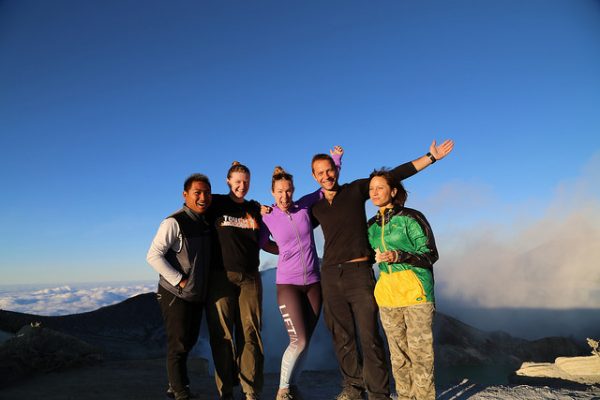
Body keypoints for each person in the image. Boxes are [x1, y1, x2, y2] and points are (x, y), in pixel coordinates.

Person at [310, 140, 453, 400]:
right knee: (343, 338)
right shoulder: (317, 207)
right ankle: (353, 388)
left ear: (337, 169)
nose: (326, 175)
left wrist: (429, 158)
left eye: (329, 169)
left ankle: (379, 394)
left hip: (361, 274)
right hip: (333, 274)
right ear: (314, 176)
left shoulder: (354, 190)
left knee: (370, 337)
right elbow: (293, 225)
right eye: (320, 172)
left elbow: (393, 176)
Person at [260, 147, 343, 400]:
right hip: (288, 284)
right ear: (272, 193)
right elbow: (263, 243)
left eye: (288, 191)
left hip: (314, 283)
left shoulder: (304, 206)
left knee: (306, 339)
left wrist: (336, 160)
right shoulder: (267, 216)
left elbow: (327, 184)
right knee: (299, 339)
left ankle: (293, 385)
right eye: (280, 192)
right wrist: (284, 252)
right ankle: (283, 389)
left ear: (293, 191)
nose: (284, 195)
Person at [206, 161, 276, 400]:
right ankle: (226, 391)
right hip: (220, 276)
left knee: (251, 333)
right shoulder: (216, 203)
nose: (241, 186)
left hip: (250, 277)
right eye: (237, 181)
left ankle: (250, 391)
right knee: (223, 335)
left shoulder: (253, 209)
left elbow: (266, 237)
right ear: (228, 181)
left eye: (245, 181)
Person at [367, 170, 438, 400]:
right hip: (388, 296)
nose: (374, 192)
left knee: (421, 354)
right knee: (398, 356)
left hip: (416, 291)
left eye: (380, 187)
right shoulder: (371, 226)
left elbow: (430, 254)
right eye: (371, 189)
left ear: (393, 191)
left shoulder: (411, 217)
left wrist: (399, 255)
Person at [146, 173, 212, 400]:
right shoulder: (174, 222)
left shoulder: (203, 222)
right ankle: (181, 392)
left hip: (195, 294)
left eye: (206, 192)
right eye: (197, 193)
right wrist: (179, 280)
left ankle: (174, 386)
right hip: (175, 293)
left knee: (188, 341)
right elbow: (153, 256)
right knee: (179, 342)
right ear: (185, 195)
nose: (203, 197)